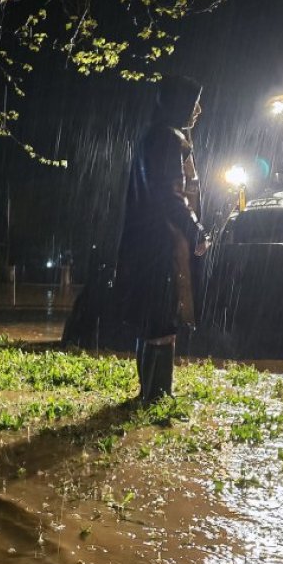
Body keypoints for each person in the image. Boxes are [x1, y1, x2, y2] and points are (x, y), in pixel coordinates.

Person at [112, 75, 209, 404]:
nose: (198, 110)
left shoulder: (152, 137)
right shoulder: (168, 140)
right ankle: (157, 396)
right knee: (162, 318)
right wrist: (196, 230)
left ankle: (151, 393)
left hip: (147, 243)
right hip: (161, 244)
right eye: (194, 103)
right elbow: (170, 195)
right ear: (180, 104)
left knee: (153, 319)